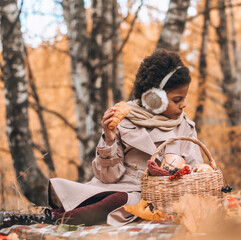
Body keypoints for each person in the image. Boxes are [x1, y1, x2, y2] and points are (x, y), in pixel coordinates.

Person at [0, 49, 203, 229]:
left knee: (119, 200)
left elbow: (197, 174)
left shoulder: (185, 127)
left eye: (184, 98)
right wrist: (109, 139)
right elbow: (108, 177)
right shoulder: (123, 121)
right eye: (177, 100)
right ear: (153, 99)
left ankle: (47, 219)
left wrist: (180, 176)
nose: (184, 105)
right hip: (113, 186)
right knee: (94, 198)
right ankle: (35, 217)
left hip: (151, 196)